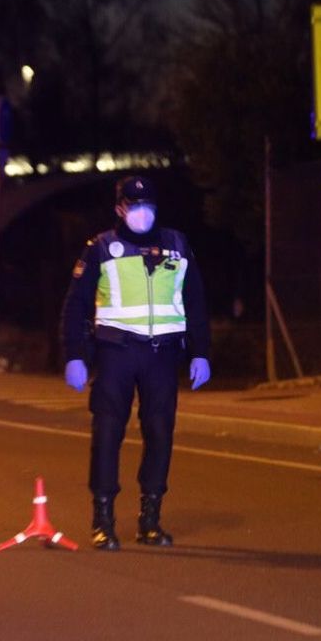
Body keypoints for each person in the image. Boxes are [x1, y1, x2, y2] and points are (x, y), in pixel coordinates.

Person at [60, 176, 212, 549]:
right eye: (134, 206)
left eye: (147, 206)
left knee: (160, 434)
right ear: (119, 209)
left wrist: (201, 352)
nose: (142, 213)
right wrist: (75, 356)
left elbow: (195, 301)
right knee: (107, 434)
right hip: (117, 354)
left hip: (162, 355)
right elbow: (76, 305)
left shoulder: (177, 245)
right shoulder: (101, 248)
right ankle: (103, 521)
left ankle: (150, 520)